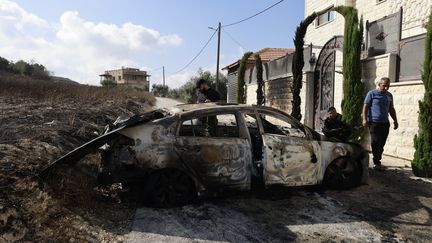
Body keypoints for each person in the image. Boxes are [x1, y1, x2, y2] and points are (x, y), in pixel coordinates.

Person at [362, 77, 398, 171]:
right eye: (384, 86)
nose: (386, 88)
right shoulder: (372, 94)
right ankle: (377, 162)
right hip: (374, 123)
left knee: (382, 143)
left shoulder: (389, 95)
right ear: (379, 84)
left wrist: (395, 120)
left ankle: (377, 160)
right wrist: (364, 119)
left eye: (388, 86)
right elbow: (365, 107)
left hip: (385, 123)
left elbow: (391, 109)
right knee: (376, 142)